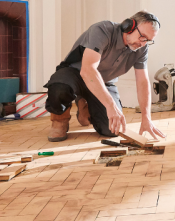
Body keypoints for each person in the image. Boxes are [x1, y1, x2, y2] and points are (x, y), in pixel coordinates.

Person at [44, 11, 167, 142]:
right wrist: (110, 106)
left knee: (112, 130)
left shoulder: (141, 49)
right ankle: (59, 121)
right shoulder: (103, 30)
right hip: (75, 74)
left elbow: (143, 82)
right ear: (129, 26)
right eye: (143, 37)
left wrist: (146, 118)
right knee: (59, 86)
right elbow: (88, 70)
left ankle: (84, 105)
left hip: (103, 82)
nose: (143, 43)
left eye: (148, 40)